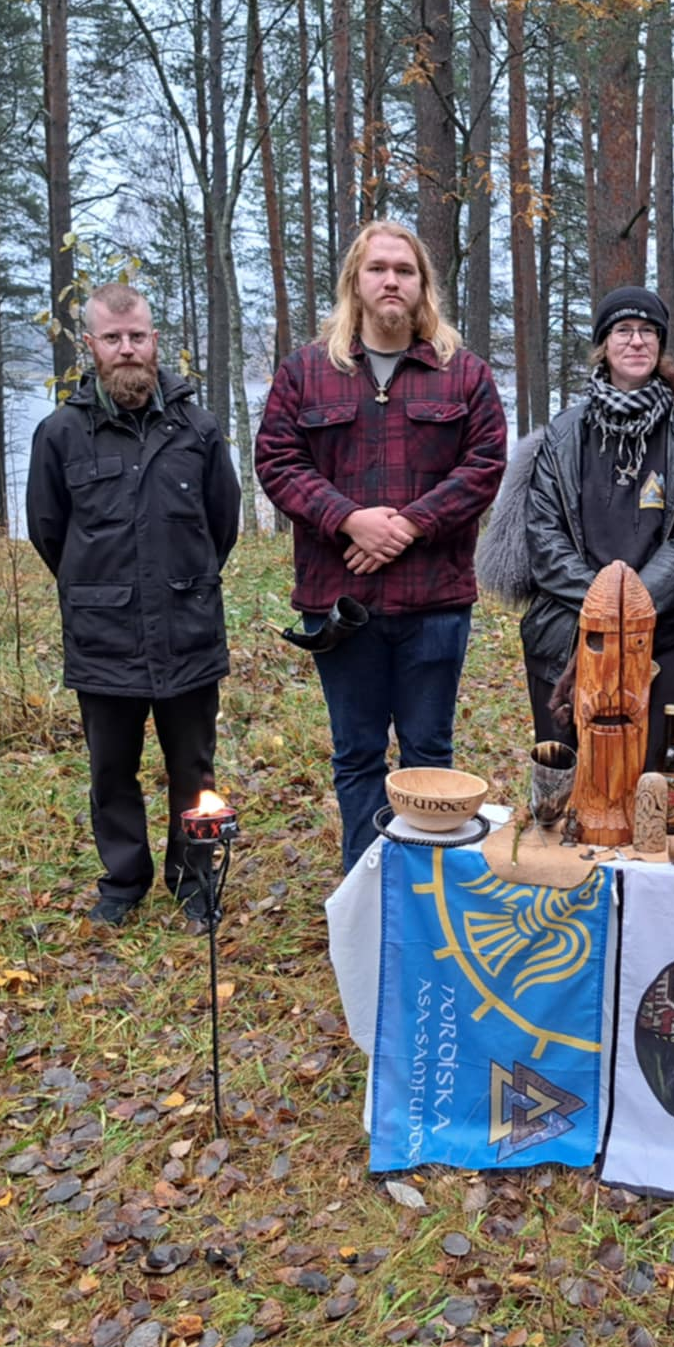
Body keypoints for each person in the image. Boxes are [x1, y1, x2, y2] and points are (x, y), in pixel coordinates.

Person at [255, 220, 507, 871]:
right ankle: (367, 888)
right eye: (378, 269)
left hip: (436, 604)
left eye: (405, 269)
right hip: (341, 606)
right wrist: (347, 520)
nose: (391, 279)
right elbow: (278, 462)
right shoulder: (306, 373)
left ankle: (424, 893)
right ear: (355, 284)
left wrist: (407, 525)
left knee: (428, 750)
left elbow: (484, 467)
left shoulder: (465, 374)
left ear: (423, 285)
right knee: (358, 752)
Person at [478, 286, 674, 774]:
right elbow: (545, 540)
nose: (637, 341)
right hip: (573, 629)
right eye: (624, 331)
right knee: (582, 787)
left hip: (673, 631)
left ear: (660, 346)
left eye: (648, 331)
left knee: (664, 786)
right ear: (603, 345)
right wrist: (602, 603)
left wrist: (632, 601)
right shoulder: (562, 437)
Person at [26, 283, 242, 930]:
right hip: (103, 637)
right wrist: (99, 589)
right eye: (113, 339)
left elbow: (220, 525)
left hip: (188, 631)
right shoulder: (61, 433)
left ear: (155, 341)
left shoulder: (197, 430)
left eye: (138, 336)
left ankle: (195, 878)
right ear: (90, 346)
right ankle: (123, 882)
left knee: (194, 770)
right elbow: (49, 532)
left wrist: (183, 581)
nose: (127, 350)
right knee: (111, 770)